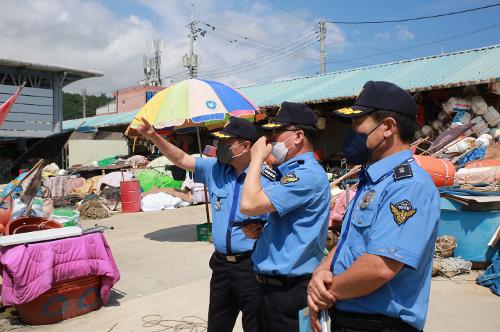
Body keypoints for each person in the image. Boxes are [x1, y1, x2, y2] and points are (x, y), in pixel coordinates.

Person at [307, 81, 440, 332]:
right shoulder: (372, 180)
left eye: (358, 123)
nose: (352, 131)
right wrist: (322, 270)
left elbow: (380, 267)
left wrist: (325, 293)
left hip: (380, 324)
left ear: (388, 127)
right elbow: (351, 240)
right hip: (348, 315)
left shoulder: (409, 186)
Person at [138, 116, 265, 332]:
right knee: (217, 324)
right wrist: (153, 136)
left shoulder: (264, 176)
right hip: (222, 266)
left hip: (251, 266)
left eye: (227, 142)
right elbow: (181, 159)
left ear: (245, 147)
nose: (220, 146)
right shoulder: (214, 168)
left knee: (255, 326)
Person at [240, 101, 331, 331]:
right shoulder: (289, 173)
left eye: (278, 132)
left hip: (288, 292)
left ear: (298, 136)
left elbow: (249, 203)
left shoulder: (305, 174)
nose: (272, 138)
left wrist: (256, 159)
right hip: (267, 287)